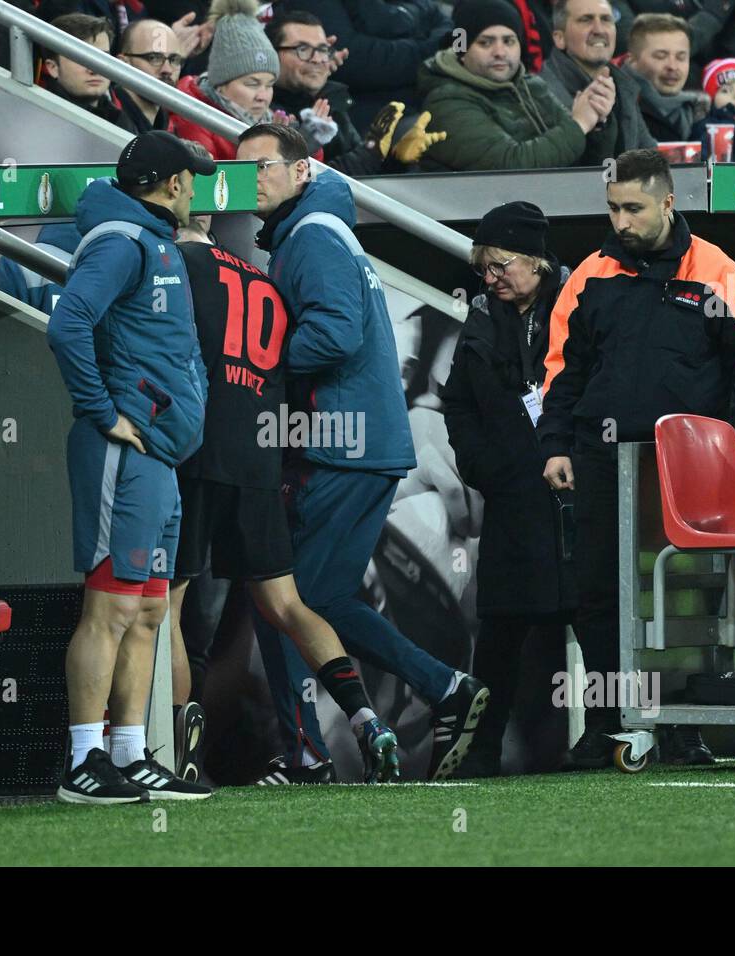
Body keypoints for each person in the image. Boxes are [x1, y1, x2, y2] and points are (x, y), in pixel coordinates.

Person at [235, 122, 489, 781]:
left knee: (289, 601)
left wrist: (254, 367)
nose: (250, 178)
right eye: (241, 169)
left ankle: (308, 754)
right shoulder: (317, 230)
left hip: (340, 446)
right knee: (326, 598)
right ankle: (444, 687)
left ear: (301, 171)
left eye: (264, 165)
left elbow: (335, 335)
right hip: (360, 444)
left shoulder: (311, 238)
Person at [538, 148, 735, 767]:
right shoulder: (589, 275)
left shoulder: (717, 272)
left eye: (633, 208)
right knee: (595, 594)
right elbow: (561, 372)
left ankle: (681, 726)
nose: (620, 221)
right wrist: (555, 445)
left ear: (668, 203)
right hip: (600, 456)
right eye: (613, 208)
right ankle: (604, 725)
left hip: (687, 463)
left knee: (686, 594)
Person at [171, 169, 401, 784]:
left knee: (167, 612)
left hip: (200, 456)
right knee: (287, 603)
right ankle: (364, 718)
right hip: (259, 458)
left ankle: (173, 759)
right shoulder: (258, 278)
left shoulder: (173, 269)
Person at [47, 130, 215, 804]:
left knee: (148, 616)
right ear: (172, 184)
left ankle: (127, 752)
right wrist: (102, 411)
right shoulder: (122, 240)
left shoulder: (151, 239)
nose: (194, 188)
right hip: (126, 451)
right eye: (191, 178)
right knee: (110, 610)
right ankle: (83, 761)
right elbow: (68, 323)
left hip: (160, 458)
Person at [440, 202, 577, 777]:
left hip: (574, 494)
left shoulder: (579, 307)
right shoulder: (479, 322)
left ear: (537, 261)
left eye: (500, 266)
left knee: (589, 616)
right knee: (500, 625)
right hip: (511, 493)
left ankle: (611, 736)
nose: (491, 279)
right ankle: (483, 747)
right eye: (484, 269)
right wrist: (485, 467)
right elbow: (458, 405)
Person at [416, 0, 610, 171]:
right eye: (485, 42)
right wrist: (580, 124)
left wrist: (595, 122)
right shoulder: (445, 102)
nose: (500, 52)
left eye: (509, 41)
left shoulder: (532, 85)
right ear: (462, 49)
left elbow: (582, 163)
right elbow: (511, 166)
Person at [267, 9, 446, 174]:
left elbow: (359, 186)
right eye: (303, 49)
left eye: (323, 49)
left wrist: (394, 161)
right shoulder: (262, 113)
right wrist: (371, 151)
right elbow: (295, 188)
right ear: (271, 53)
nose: (318, 59)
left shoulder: (332, 99)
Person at [281, 0, 454, 127]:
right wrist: (431, 48)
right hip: (361, 115)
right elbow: (361, 62)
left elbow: (449, 27)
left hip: (428, 100)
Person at [173, 0, 303, 161]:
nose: (263, 96)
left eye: (269, 85)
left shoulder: (271, 121)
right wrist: (269, 153)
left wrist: (307, 144)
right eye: (252, 84)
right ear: (220, 85)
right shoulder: (193, 118)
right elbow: (209, 184)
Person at [540, 0, 659, 159]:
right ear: (560, 38)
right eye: (586, 19)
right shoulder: (540, 93)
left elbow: (649, 155)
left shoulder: (624, 87)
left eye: (606, 19)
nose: (599, 29)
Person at [622, 13, 707, 141]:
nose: (672, 66)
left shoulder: (702, 112)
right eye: (661, 56)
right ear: (632, 60)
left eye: (681, 57)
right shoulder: (615, 108)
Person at [39, 14, 133, 129]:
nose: (94, 69)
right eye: (81, 58)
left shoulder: (120, 120)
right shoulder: (39, 119)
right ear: (53, 68)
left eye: (102, 57)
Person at [114, 18, 186, 134]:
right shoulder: (108, 121)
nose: (167, 70)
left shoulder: (168, 127)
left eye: (174, 60)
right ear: (124, 63)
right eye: (154, 58)